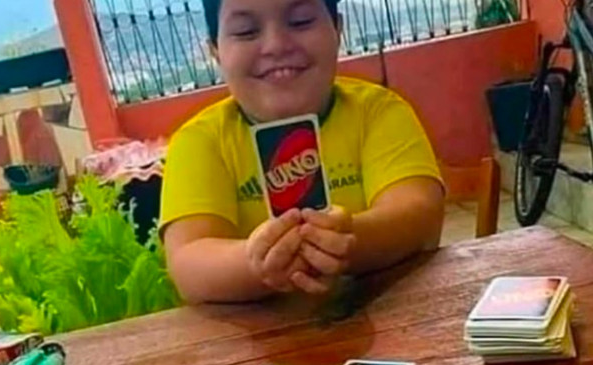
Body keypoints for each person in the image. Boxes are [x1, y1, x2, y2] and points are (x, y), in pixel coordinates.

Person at [161, 0, 444, 303]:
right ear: (215, 51)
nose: (276, 45)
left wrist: (348, 238)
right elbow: (189, 262)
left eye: (300, 21)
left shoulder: (380, 112)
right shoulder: (199, 142)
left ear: (337, 30)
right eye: (246, 31)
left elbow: (419, 213)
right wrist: (256, 260)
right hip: (256, 343)